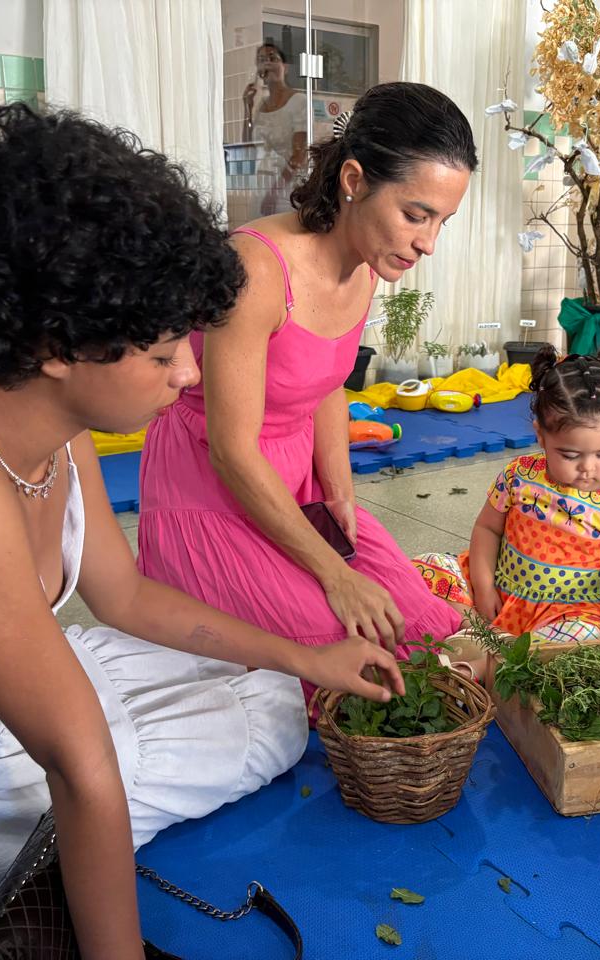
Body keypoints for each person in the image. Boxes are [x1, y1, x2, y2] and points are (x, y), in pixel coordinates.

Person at [0, 103, 402, 958]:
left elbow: (126, 595)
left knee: (270, 680)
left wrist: (308, 658)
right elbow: (79, 762)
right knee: (256, 729)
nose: (185, 374)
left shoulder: (50, 423)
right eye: (162, 351)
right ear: (60, 344)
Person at [138, 82, 474, 702]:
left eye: (442, 222)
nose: (428, 242)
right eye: (416, 214)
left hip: (300, 484)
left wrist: (341, 499)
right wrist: (332, 574)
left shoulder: (370, 261)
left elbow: (323, 386)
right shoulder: (256, 269)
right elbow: (231, 451)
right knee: (351, 655)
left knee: (427, 632)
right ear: (353, 180)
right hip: (213, 489)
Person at [415, 347, 600, 653]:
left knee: (583, 638)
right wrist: (485, 587)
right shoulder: (519, 475)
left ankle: (487, 650)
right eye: (570, 455)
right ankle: (480, 634)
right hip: (501, 591)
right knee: (419, 570)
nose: (588, 467)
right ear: (540, 436)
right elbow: (487, 530)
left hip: (568, 613)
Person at [242, 42, 307, 217]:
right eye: (262, 59)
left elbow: (300, 155)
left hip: (286, 187)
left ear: (285, 67)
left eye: (272, 58)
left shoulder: (299, 101)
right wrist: (247, 107)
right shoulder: (261, 105)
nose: (267, 63)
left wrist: (275, 192)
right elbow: (249, 145)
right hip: (261, 183)